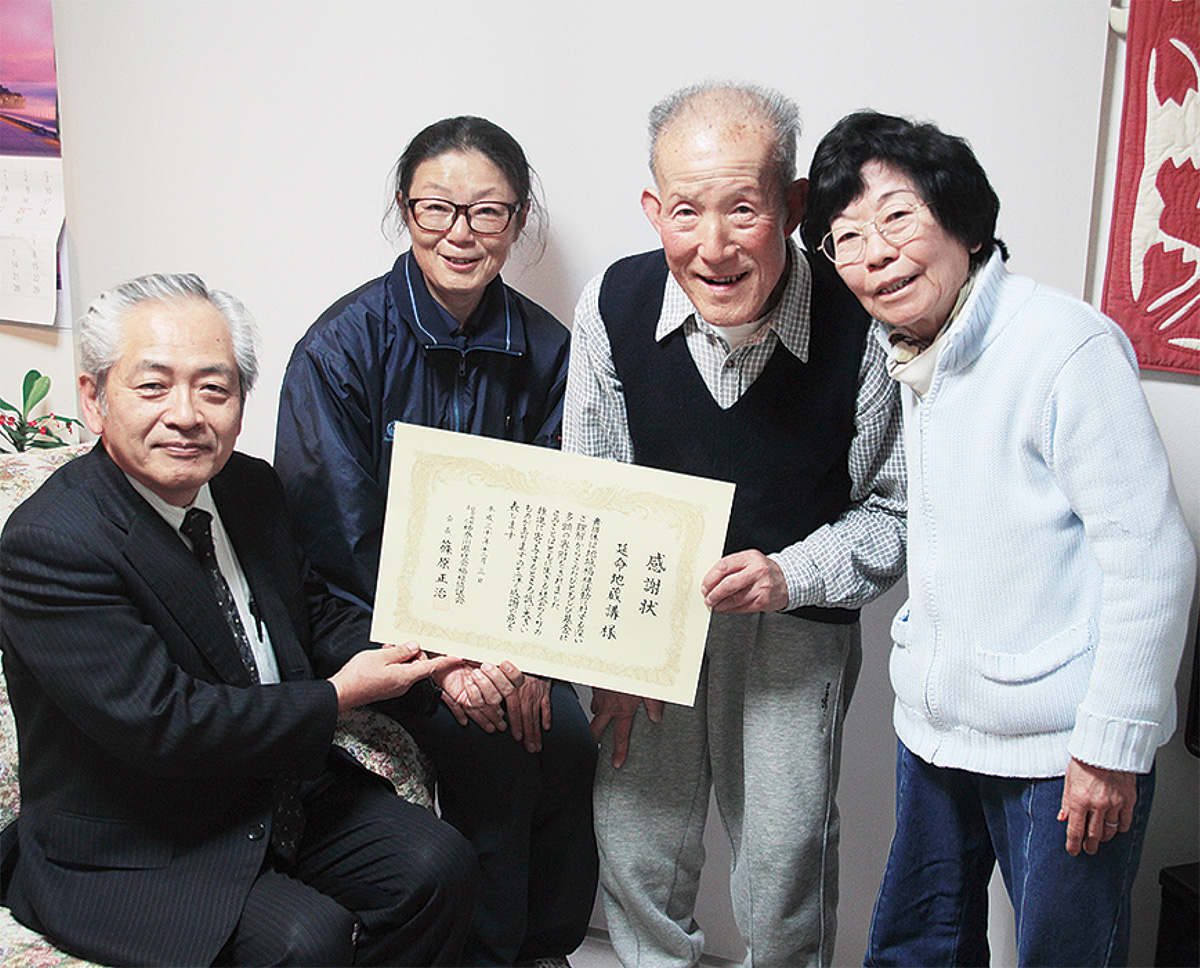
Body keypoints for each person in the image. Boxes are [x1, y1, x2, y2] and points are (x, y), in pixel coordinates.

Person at [0, 273, 490, 967]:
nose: (185, 414)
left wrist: (430, 662)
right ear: (94, 397)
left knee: (437, 867)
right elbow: (165, 723)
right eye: (153, 386)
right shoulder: (52, 542)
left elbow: (313, 616)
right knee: (305, 940)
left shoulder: (248, 486)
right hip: (141, 835)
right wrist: (338, 696)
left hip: (269, 789)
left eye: (213, 388)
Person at [802, 110, 1196, 968]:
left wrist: (1111, 745)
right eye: (847, 238)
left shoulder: (1063, 345)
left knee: (1063, 955)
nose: (876, 254)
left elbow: (1153, 556)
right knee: (914, 947)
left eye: (898, 217)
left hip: (1064, 747)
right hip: (940, 733)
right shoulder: (911, 350)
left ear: (965, 224)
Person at [563, 83, 906, 967]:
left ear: (793, 206)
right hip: (651, 617)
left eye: (743, 209)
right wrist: (611, 657)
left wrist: (790, 574)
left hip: (795, 627)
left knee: (787, 864)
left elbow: (893, 512)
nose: (712, 247)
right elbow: (593, 490)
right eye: (685, 211)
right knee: (636, 845)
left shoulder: (859, 318)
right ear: (654, 210)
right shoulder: (612, 304)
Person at [275, 115, 597, 967]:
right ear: (404, 209)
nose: (461, 233)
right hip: (366, 620)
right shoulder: (339, 349)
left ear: (517, 221)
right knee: (495, 743)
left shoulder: (550, 351)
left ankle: (543, 949)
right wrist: (445, 662)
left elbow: (563, 525)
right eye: (436, 209)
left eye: (487, 212)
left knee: (564, 737)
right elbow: (335, 547)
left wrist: (526, 657)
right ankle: (484, 953)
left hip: (507, 628)